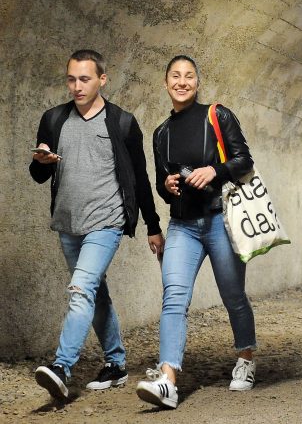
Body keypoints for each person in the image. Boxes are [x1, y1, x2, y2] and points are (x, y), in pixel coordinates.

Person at [29, 50, 164, 399]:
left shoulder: (122, 122)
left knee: (79, 290)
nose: (77, 86)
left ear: (102, 80)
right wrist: (42, 161)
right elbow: (38, 175)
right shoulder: (53, 119)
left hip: (107, 221)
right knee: (93, 291)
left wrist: (152, 224)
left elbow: (139, 178)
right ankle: (117, 363)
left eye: (85, 79)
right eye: (71, 79)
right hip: (68, 224)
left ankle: (62, 366)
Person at [136, 55, 257, 409]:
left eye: (189, 76)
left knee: (234, 295)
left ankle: (246, 359)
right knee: (174, 297)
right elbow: (161, 183)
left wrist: (214, 171)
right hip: (182, 226)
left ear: (197, 83)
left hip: (221, 220)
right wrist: (168, 185)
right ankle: (168, 380)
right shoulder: (161, 133)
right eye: (175, 76)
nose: (182, 81)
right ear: (166, 83)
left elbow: (243, 160)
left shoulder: (217, 115)